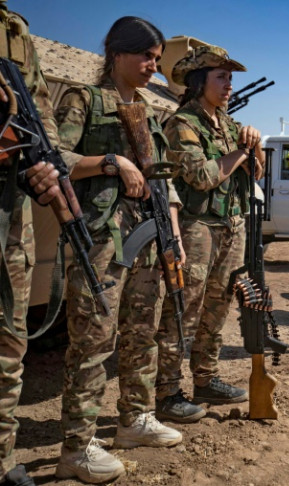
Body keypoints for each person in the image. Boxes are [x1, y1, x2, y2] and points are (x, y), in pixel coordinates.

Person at [54, 17, 183, 483]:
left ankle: (134, 419)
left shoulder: (147, 110)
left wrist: (173, 234)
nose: (153, 66)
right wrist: (111, 162)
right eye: (146, 56)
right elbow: (54, 161)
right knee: (93, 340)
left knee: (142, 330)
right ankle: (76, 446)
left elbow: (162, 180)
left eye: (156, 58)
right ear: (117, 54)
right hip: (102, 239)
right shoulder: (84, 100)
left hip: (148, 237)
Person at [154, 45, 264, 423]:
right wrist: (240, 154)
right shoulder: (182, 123)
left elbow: (257, 174)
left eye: (231, 78)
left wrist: (255, 144)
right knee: (183, 310)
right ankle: (167, 392)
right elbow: (200, 177)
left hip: (231, 226)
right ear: (200, 82)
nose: (229, 85)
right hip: (197, 227)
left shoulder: (230, 125)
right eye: (222, 77)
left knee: (219, 307)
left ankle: (206, 378)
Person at [0, 3, 62, 484]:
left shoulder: (12, 28)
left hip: (9, 209)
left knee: (8, 342)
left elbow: (38, 109)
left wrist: (45, 158)